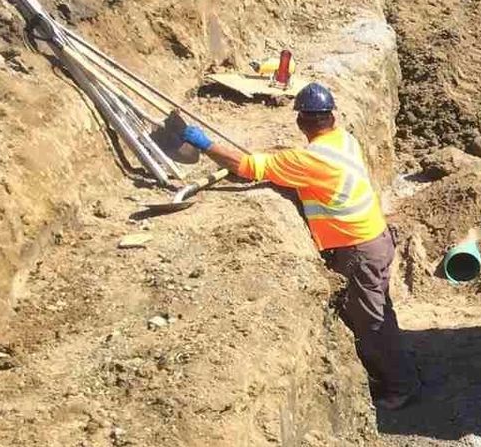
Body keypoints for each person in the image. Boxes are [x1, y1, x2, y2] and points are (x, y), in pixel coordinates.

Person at [177, 84, 420, 411]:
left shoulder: (309, 159)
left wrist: (205, 144)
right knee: (376, 310)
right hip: (375, 237)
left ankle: (400, 387)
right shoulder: (344, 141)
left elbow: (248, 168)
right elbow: (300, 170)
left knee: (370, 320)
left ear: (301, 122)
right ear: (332, 116)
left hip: (359, 248)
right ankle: (394, 371)